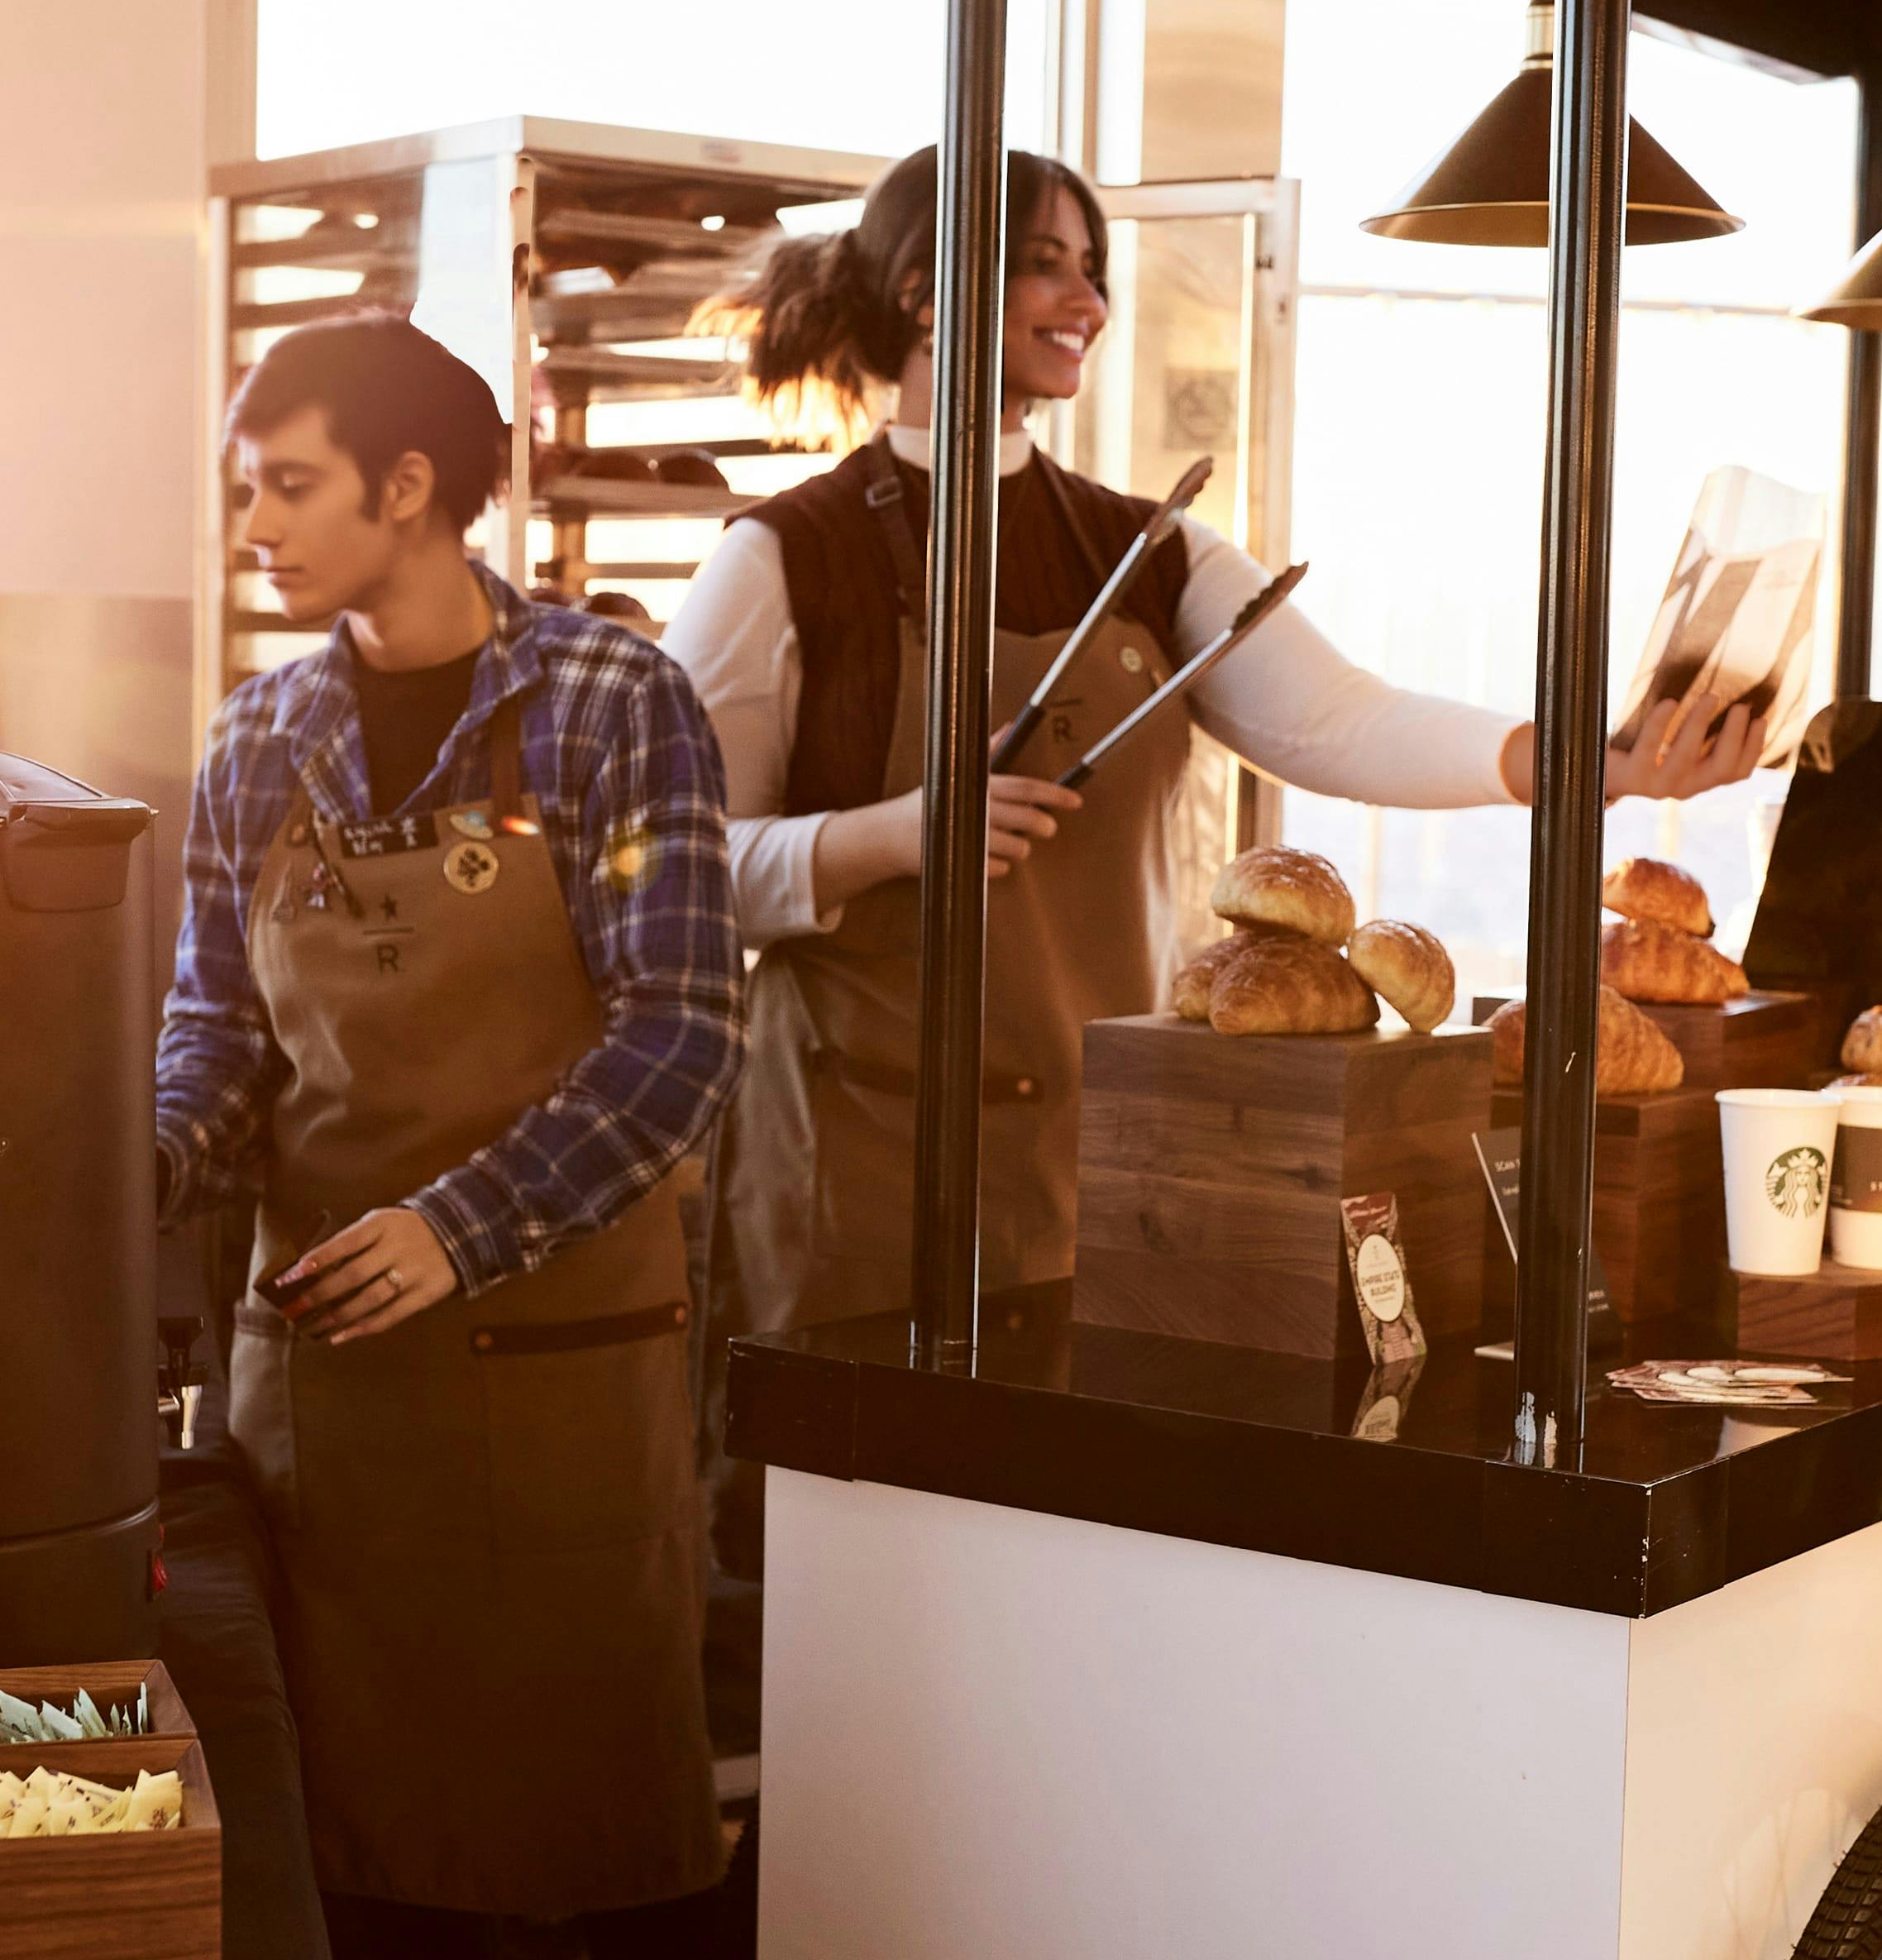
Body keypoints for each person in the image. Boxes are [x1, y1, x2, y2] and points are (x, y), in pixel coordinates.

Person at [666, 145, 1769, 1343]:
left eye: (1092, 269)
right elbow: (670, 877)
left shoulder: (1151, 552)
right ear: (927, 290)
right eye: (1047, 266)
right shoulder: (781, 559)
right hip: (857, 1165)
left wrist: (1584, 766)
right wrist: (888, 838)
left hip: (1112, 1152)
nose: (1088, 302)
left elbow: (1344, 720)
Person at [155, 313, 752, 1960]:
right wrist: (103, 1200)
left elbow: (683, 1044)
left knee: (625, 1840)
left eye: (286, 482)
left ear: (409, 487)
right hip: (322, 1374)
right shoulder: (255, 742)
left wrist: (460, 1222)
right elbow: (214, 1049)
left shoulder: (611, 702)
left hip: (560, 1376)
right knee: (381, 1829)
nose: (254, 523)